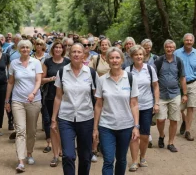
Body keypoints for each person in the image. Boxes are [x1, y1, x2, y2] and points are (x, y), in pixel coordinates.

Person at [51, 43, 97, 175]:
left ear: (84, 55)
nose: (76, 54)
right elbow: (58, 97)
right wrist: (54, 119)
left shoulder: (91, 73)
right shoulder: (62, 71)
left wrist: (97, 123)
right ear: (69, 54)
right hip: (66, 118)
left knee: (85, 156)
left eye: (79, 52)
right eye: (73, 52)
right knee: (68, 155)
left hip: (86, 118)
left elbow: (97, 98)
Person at [93, 47, 140, 175]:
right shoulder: (102, 80)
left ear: (122, 60)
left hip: (126, 126)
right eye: (112, 58)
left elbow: (134, 104)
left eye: (117, 57)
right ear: (107, 60)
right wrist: (95, 128)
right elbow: (98, 105)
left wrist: (136, 126)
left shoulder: (130, 78)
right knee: (108, 160)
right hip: (106, 126)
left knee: (121, 159)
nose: (114, 60)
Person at [4, 40, 43, 173]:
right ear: (19, 49)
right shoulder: (14, 63)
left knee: (31, 130)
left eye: (27, 47)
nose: (25, 49)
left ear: (30, 49)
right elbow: (10, 82)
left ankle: (29, 153)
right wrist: (7, 100)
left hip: (34, 101)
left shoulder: (36, 63)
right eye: (22, 47)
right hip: (17, 101)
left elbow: (38, 81)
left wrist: (33, 93)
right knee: (20, 130)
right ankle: (21, 161)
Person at [124, 45, 159, 171]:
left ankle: (142, 157)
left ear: (144, 56)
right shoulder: (128, 70)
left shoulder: (149, 69)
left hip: (147, 106)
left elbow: (155, 86)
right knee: (134, 134)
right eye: (136, 55)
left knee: (145, 135)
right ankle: (134, 161)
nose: (139, 57)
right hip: (132, 107)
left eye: (140, 54)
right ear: (132, 57)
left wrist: (156, 103)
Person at [155, 39, 187, 152]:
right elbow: (154, 80)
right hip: (161, 95)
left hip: (175, 94)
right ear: (165, 48)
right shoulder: (158, 61)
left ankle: (171, 143)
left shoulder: (178, 61)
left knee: (174, 119)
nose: (169, 49)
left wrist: (185, 94)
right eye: (167, 47)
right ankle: (161, 135)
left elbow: (182, 78)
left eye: (171, 47)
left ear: (174, 48)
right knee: (160, 120)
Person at [42, 39, 71, 167]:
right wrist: (51, 79)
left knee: (64, 125)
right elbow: (41, 79)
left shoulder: (68, 62)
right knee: (53, 125)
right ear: (52, 49)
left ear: (63, 49)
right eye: (56, 47)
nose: (58, 49)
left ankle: (63, 150)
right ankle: (55, 154)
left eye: (60, 47)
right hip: (51, 96)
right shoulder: (47, 62)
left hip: (66, 98)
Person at [174, 33, 196, 141]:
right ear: (184, 41)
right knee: (177, 107)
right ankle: (184, 120)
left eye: (190, 40)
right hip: (179, 84)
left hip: (193, 84)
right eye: (187, 40)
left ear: (193, 41)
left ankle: (188, 131)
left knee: (191, 107)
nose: (188, 42)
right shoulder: (177, 53)